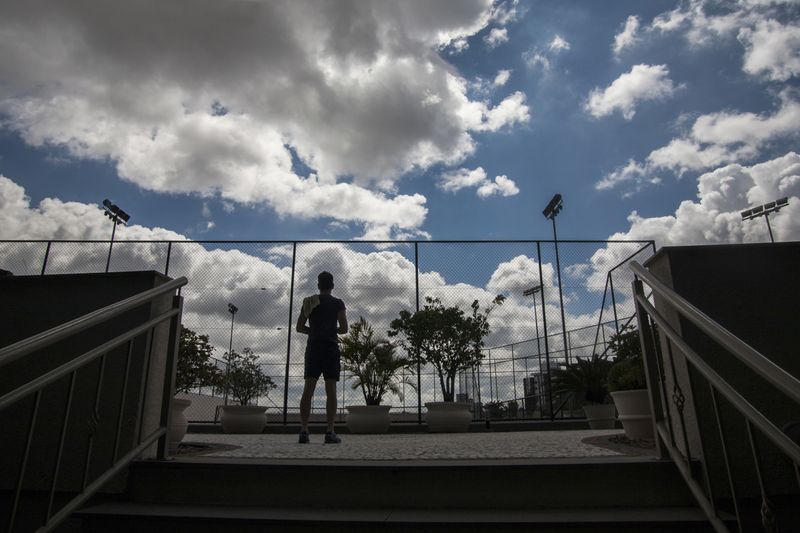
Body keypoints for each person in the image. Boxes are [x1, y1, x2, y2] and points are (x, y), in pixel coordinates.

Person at [296, 271, 348, 444]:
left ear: (318, 285)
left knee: (308, 389)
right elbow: (344, 328)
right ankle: (330, 431)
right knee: (330, 389)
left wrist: (315, 331)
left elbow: (300, 327)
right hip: (330, 347)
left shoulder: (310, 302)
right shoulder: (338, 303)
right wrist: (331, 331)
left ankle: (304, 430)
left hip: (314, 347)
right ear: (332, 285)